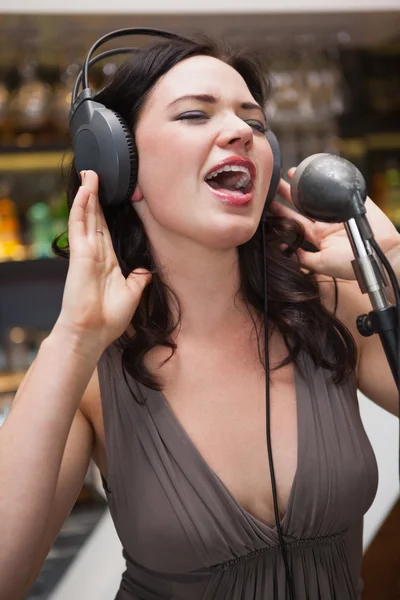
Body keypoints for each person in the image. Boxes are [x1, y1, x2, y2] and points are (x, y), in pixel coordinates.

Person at [0, 34, 399, 600]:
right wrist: (73, 339)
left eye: (255, 122)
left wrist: (395, 265)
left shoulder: (330, 305)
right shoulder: (88, 366)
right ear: (118, 164)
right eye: (195, 114)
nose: (241, 132)